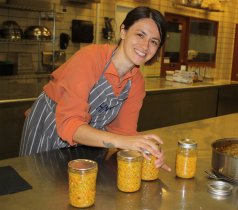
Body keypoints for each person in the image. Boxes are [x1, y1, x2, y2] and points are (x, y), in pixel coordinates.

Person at [19, 6, 171, 171]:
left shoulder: (136, 82)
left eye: (154, 41)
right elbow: (70, 124)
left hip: (87, 139)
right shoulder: (90, 58)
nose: (145, 45)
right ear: (123, 32)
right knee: (36, 185)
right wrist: (124, 141)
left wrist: (148, 151)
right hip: (48, 129)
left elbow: (124, 133)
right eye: (140, 34)